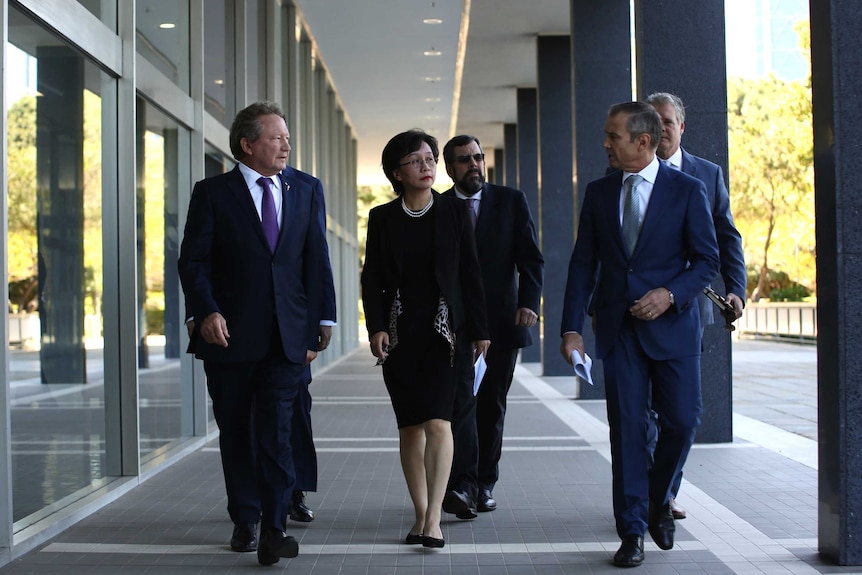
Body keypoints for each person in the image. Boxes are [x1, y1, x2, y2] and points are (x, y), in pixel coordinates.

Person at [560, 101, 719, 568]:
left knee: (684, 421)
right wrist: (571, 329)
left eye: (613, 136)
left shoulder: (688, 190)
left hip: (674, 329)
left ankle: (657, 498)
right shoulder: (597, 193)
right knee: (627, 431)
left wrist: (670, 293)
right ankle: (631, 531)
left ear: (643, 142)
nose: (605, 144)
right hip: (620, 330)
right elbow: (583, 264)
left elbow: (706, 261)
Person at [178, 101, 335, 566]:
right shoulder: (212, 193)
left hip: (287, 338)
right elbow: (193, 260)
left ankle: (274, 526)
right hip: (228, 338)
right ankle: (244, 518)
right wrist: (205, 310)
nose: (286, 144)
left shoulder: (306, 188)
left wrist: (321, 320)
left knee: (278, 432)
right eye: (275, 137)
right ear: (247, 145)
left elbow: (316, 258)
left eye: (287, 136)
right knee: (237, 432)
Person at [361, 129, 490, 549]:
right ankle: (420, 513)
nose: (428, 165)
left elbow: (471, 272)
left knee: (439, 422)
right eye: (416, 160)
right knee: (410, 428)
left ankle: (434, 518)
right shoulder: (382, 218)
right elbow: (373, 279)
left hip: (446, 333)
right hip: (400, 334)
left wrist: (481, 330)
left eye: (430, 158)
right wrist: (376, 326)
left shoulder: (453, 212)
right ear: (396, 172)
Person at [642, 92, 746, 520]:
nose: (661, 129)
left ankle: (663, 491)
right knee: (641, 411)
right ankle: (650, 491)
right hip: (638, 308)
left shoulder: (707, 174)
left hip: (687, 310)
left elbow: (727, 236)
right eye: (654, 122)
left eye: (668, 122)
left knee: (679, 412)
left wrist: (736, 288)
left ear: (682, 127)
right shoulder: (631, 172)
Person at [439, 135, 543, 518]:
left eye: (479, 158)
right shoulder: (440, 206)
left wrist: (528, 303)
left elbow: (531, 259)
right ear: (450, 168)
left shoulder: (511, 201)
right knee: (455, 407)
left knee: (491, 406)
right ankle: (458, 484)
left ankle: (484, 483)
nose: (475, 165)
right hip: (452, 326)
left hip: (501, 322)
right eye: (465, 160)